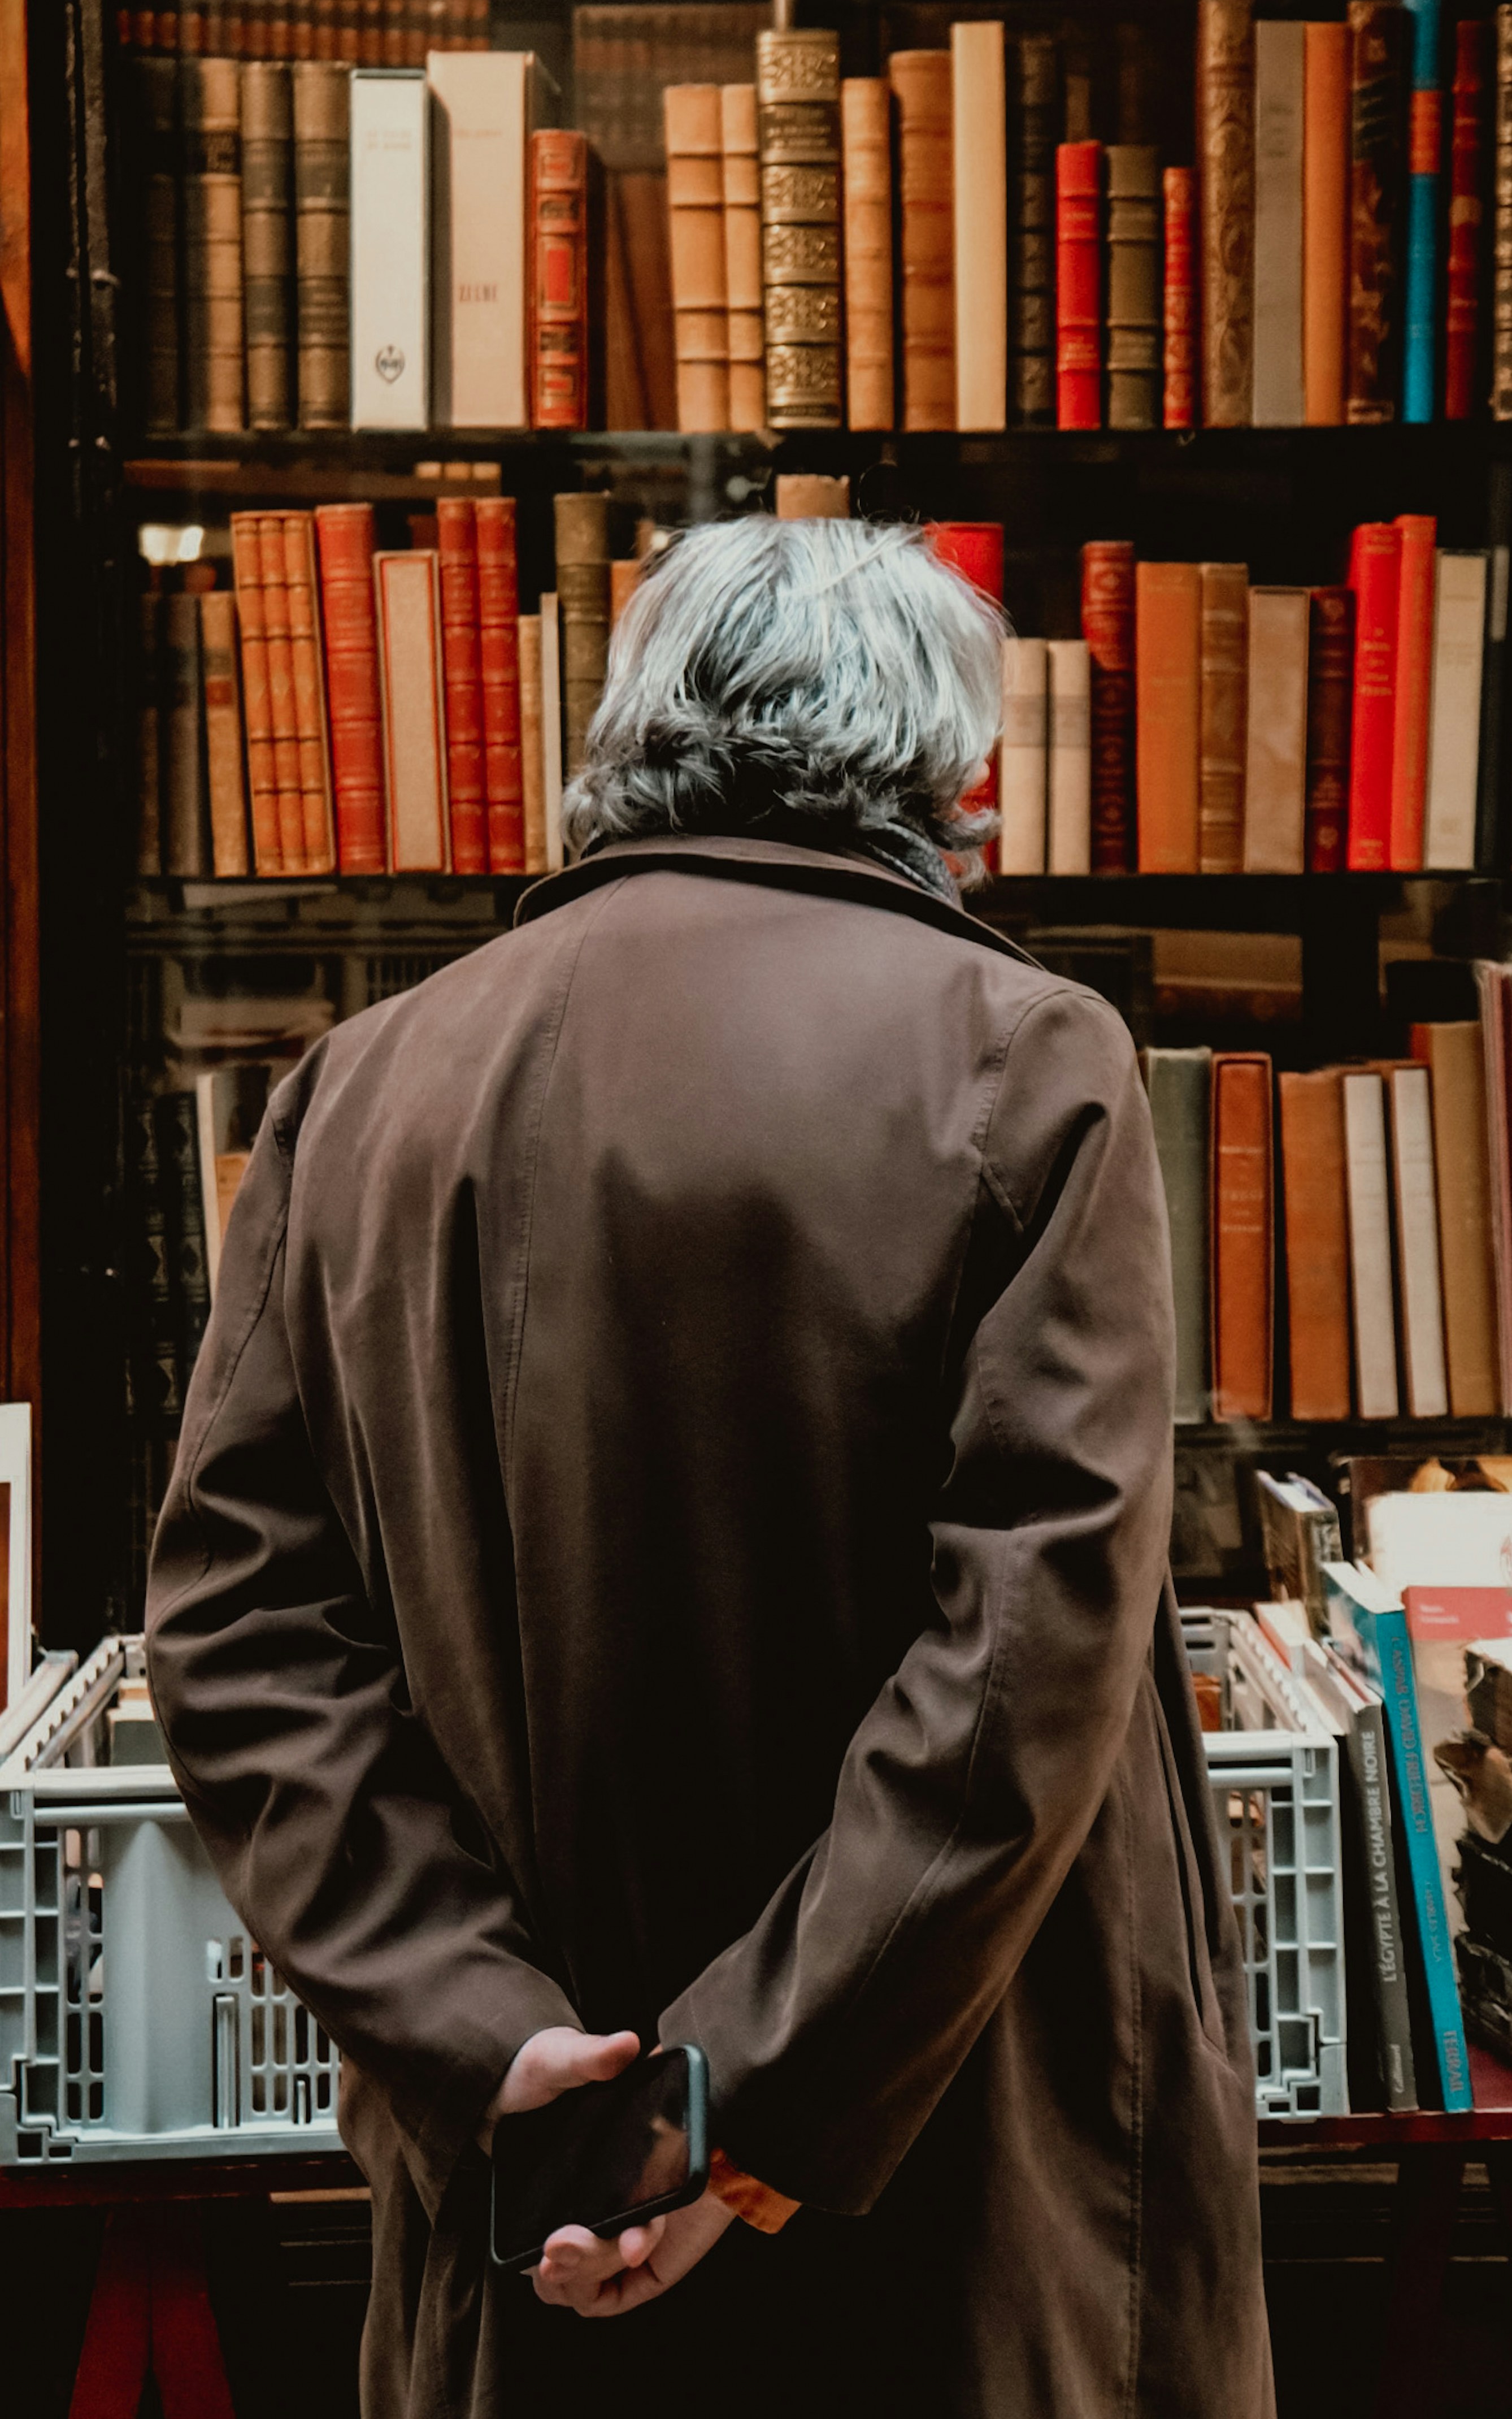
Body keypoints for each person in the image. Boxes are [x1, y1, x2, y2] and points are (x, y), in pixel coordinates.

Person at [145, 515, 1273, 2417]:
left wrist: (495, 2041)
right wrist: (734, 2099)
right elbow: (1024, 1659)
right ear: (942, 764)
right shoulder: (1029, 1064)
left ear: (626, 725)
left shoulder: (359, 1088)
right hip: (940, 2162)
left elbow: (242, 1636)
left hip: (539, 2179)